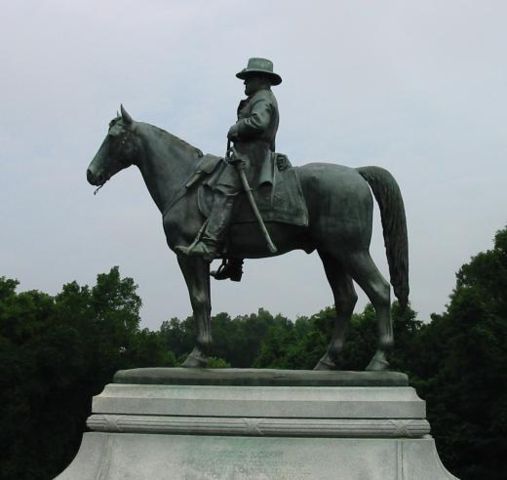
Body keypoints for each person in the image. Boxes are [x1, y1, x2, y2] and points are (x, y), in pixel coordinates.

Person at [177, 57, 282, 282]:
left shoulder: (263, 98)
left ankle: (209, 244)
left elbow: (260, 123)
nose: (244, 84)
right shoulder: (257, 97)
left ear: (261, 79)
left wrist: (237, 127)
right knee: (238, 205)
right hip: (247, 154)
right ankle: (234, 263)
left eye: (248, 79)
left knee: (225, 188)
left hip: (254, 157)